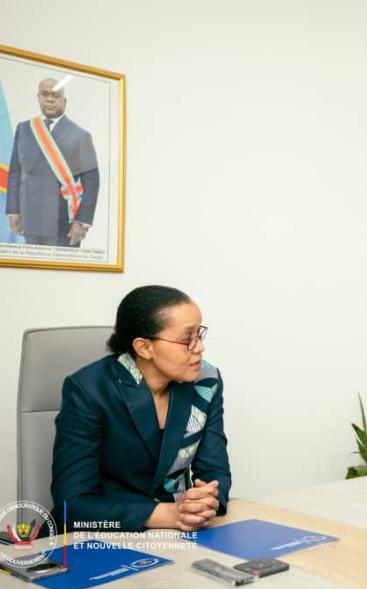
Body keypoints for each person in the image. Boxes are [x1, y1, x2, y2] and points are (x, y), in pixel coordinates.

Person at [51, 285, 231, 532]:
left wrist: (206, 502)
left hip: (180, 534)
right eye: (187, 339)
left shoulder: (206, 380)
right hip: (101, 535)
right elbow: (71, 506)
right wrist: (168, 515)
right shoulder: (89, 390)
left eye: (199, 334)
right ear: (144, 347)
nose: (199, 347)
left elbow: (215, 471)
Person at [6, 78, 99, 247]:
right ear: (38, 97)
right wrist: (14, 211)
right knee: (31, 272)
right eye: (45, 94)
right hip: (30, 220)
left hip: (64, 224)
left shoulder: (80, 135)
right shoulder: (24, 129)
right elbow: (15, 172)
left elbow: (92, 183)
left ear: (65, 101)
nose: (50, 99)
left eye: (56, 95)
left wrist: (82, 221)